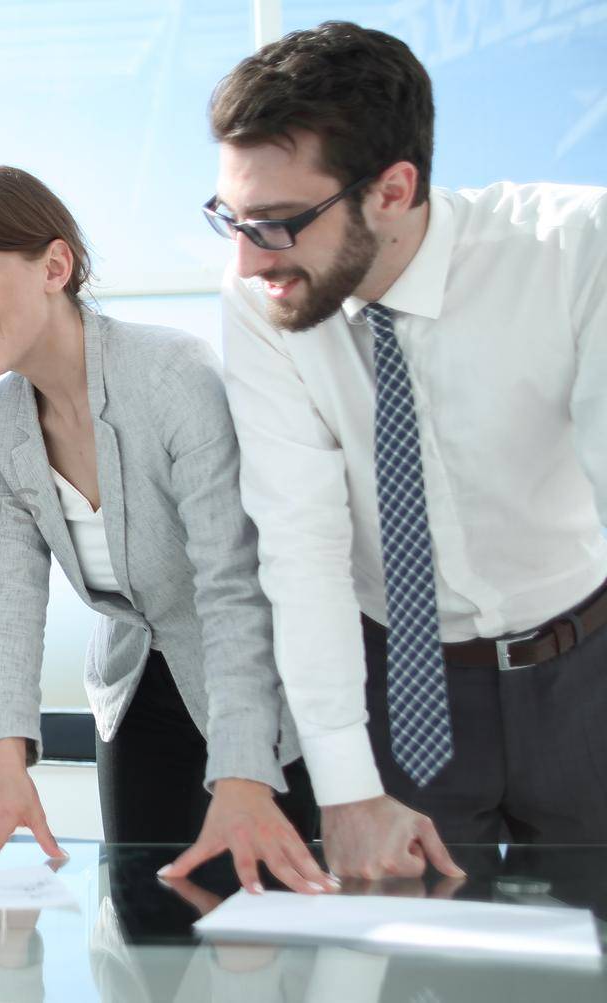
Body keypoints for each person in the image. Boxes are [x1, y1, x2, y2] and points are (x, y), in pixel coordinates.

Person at [208, 22, 607, 879]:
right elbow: (300, 544)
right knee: (412, 958)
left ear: (393, 189)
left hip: (585, 667)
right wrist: (347, 788)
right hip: (402, 685)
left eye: (275, 223)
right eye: (230, 219)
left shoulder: (577, 249)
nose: (245, 259)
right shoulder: (262, 300)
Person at [0, 166, 329, 894]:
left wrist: (242, 769)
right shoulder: (1, 421)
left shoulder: (170, 372)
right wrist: (4, 765)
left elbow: (233, 585)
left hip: (254, 690)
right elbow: (8, 594)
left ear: (55, 266)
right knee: (151, 924)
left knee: (279, 935)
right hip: (134, 696)